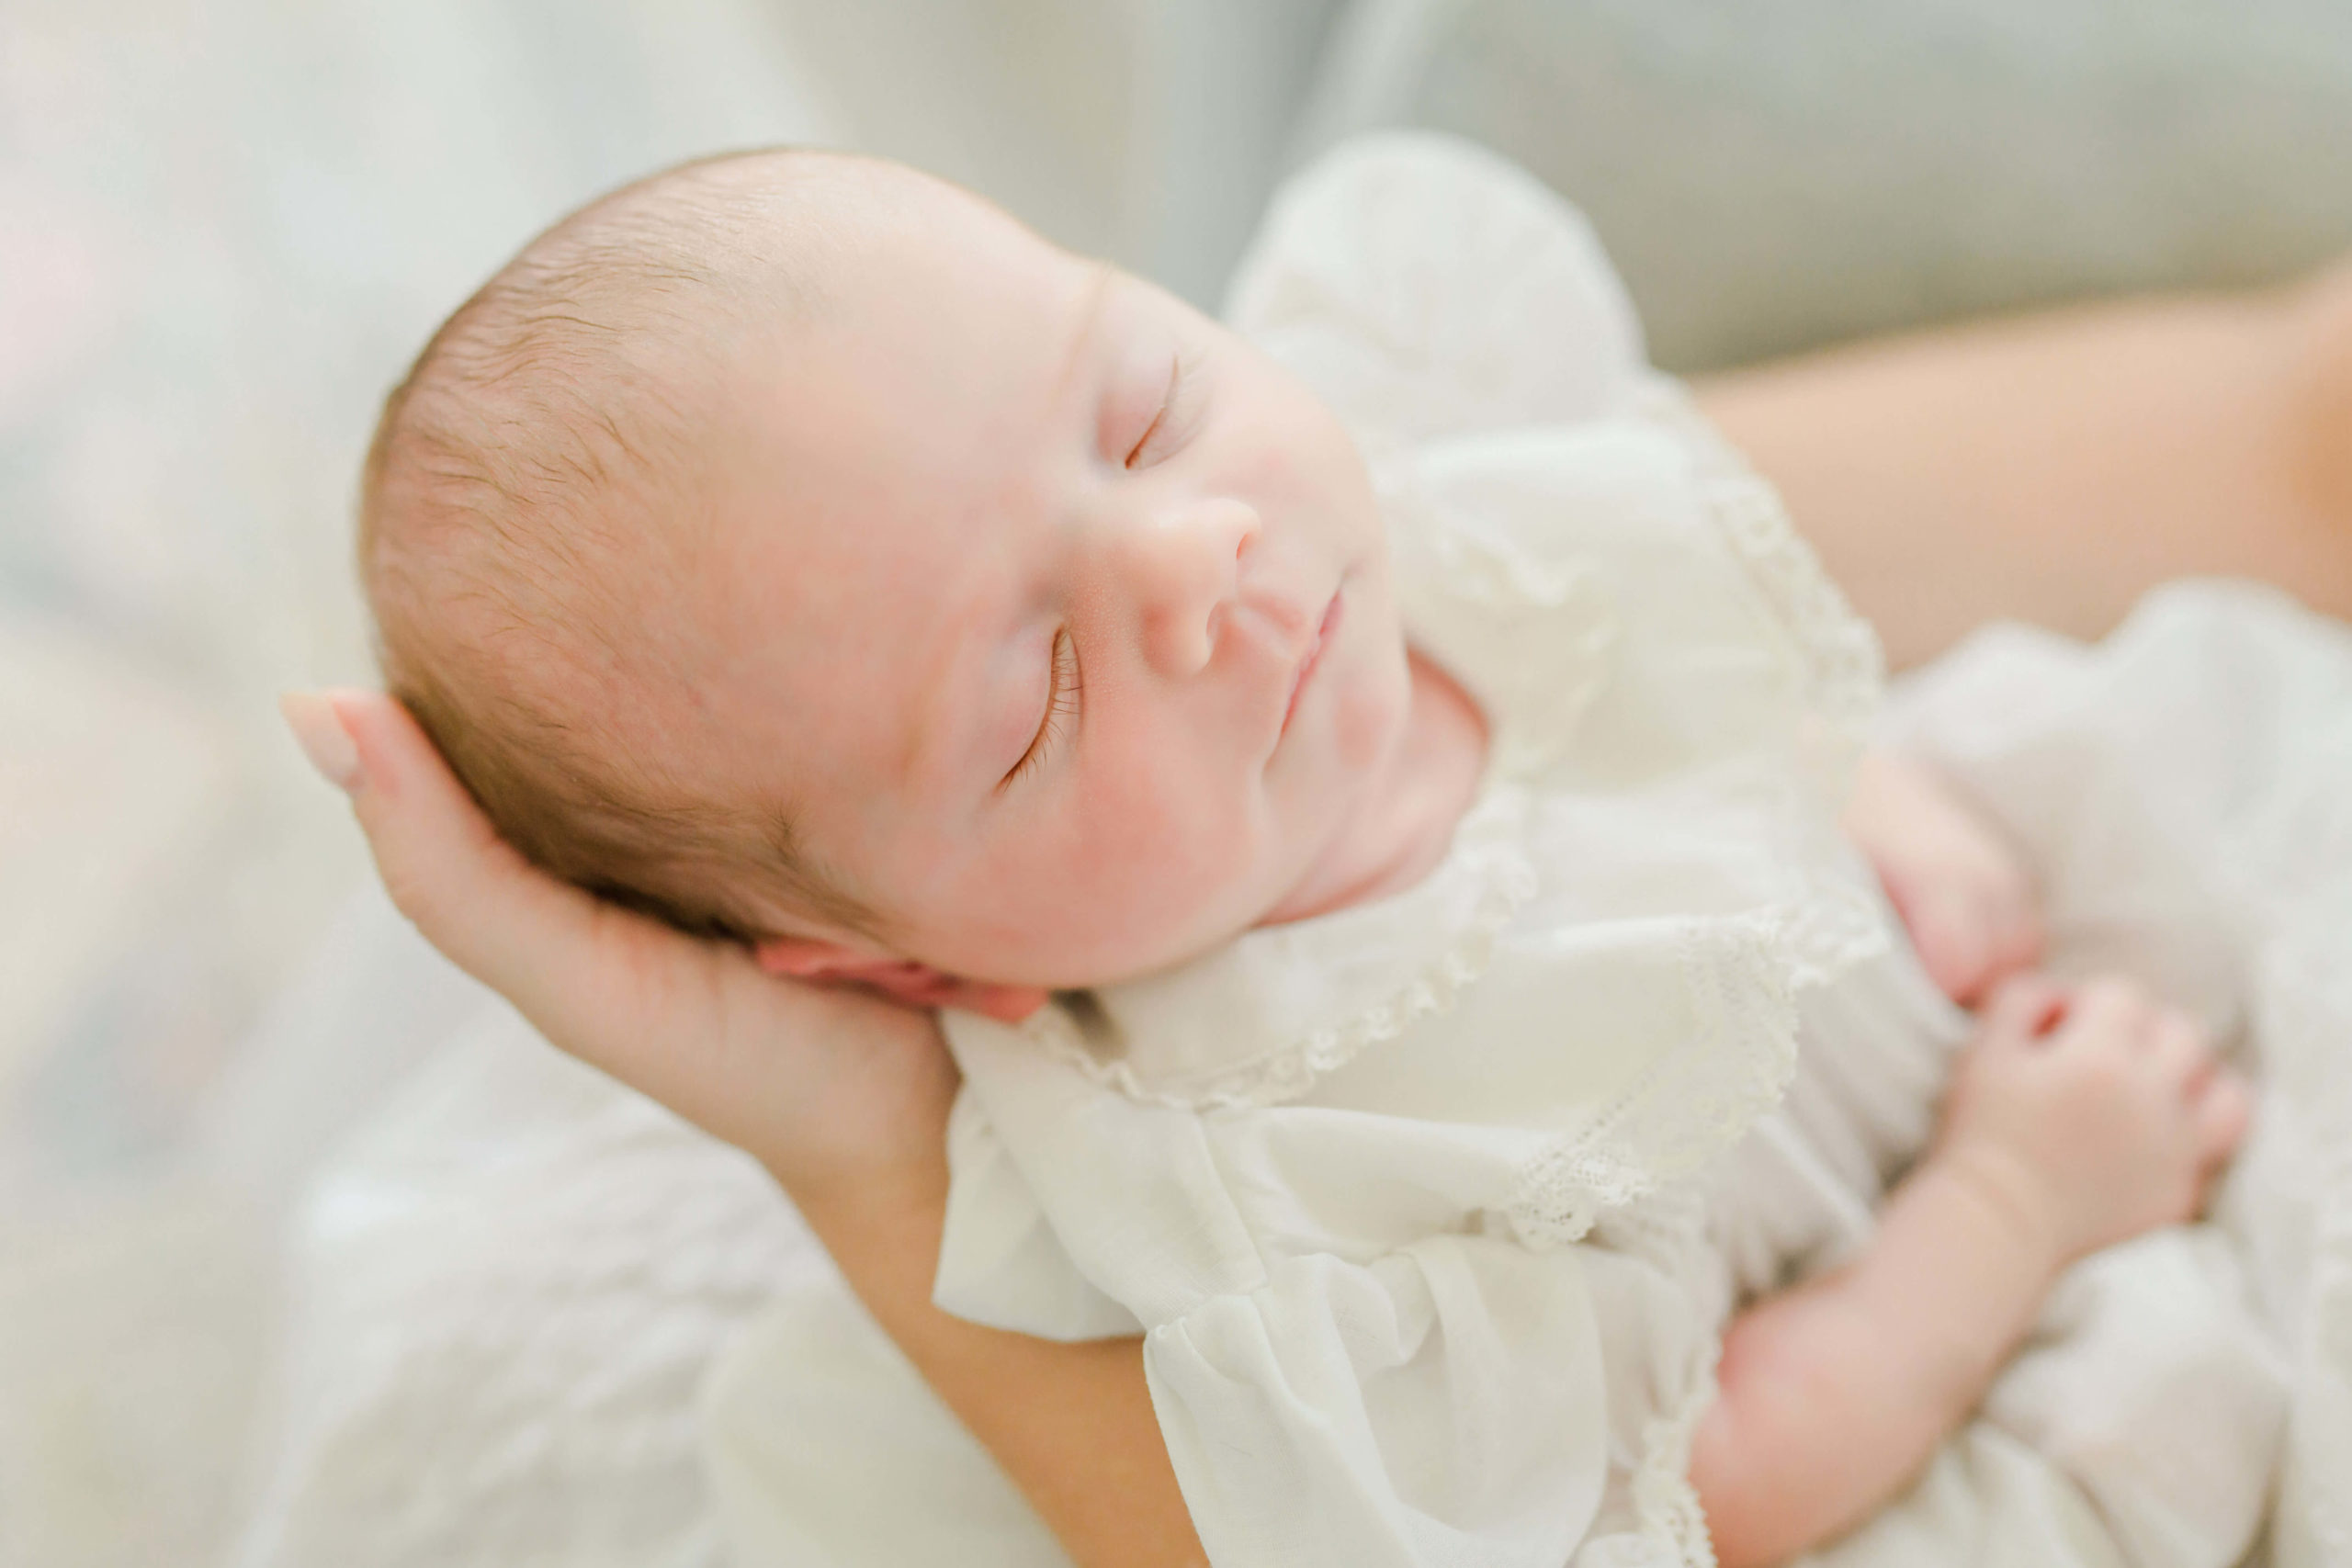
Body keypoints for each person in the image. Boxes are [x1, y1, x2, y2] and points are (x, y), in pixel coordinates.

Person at [279, 134, 2352, 1566]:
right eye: (1033, 699)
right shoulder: (1284, 1168)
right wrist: (2006, 1196)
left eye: (1139, 404)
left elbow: (1684, 588)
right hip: (1940, 1296)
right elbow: (1695, 1484)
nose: (1198, 560)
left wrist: (1851, 770)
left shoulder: (1421, 491)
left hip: (2020, 950)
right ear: (923, 972)